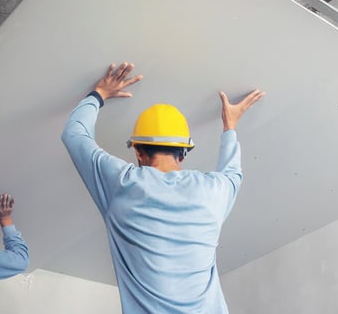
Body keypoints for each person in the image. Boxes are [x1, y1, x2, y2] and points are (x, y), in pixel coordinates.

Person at [61, 62, 265, 313]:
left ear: (137, 150)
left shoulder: (122, 184)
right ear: (184, 152)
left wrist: (99, 94)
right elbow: (233, 172)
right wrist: (229, 126)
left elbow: (74, 134)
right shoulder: (214, 191)